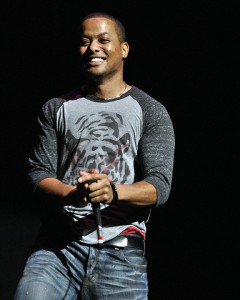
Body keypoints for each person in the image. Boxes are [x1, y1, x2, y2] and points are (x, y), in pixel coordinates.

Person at [14, 11, 175, 300]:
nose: (93, 48)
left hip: (121, 251)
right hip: (57, 247)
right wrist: (71, 193)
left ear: (124, 49)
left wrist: (112, 191)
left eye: (103, 39)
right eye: (85, 41)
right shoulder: (57, 108)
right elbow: (38, 174)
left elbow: (159, 187)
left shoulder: (150, 110)